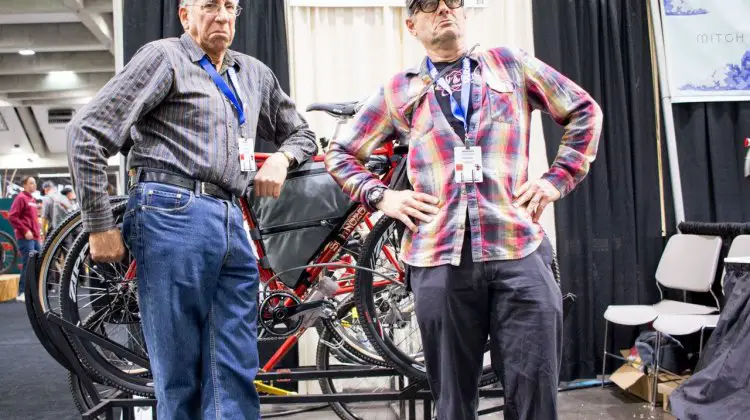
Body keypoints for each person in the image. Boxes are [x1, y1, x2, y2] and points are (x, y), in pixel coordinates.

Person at [325, 0, 603, 419]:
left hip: (518, 251)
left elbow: (584, 111)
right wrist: (383, 197)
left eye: (451, 2)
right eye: (428, 6)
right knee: (453, 403)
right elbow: (342, 152)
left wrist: (555, 181)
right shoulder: (400, 90)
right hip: (439, 259)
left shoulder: (510, 65)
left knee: (535, 398)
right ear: (412, 24)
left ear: (465, 13)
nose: (443, 10)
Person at [65, 0, 317, 418]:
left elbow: (303, 133)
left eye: (229, 6)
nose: (221, 15)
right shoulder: (164, 58)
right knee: (178, 371)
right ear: (185, 15)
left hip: (231, 219)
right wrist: (99, 225)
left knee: (234, 368)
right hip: (170, 210)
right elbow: (86, 132)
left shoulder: (253, 73)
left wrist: (281, 158)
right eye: (209, 5)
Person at [8, 176, 42, 302]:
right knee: (28, 264)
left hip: (35, 238)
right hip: (25, 238)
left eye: (35, 183)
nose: (34, 185)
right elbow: (12, 217)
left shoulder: (32, 199)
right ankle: (22, 292)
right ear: (25, 185)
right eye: (31, 183)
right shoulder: (21, 198)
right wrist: (25, 230)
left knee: (38, 263)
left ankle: (34, 292)